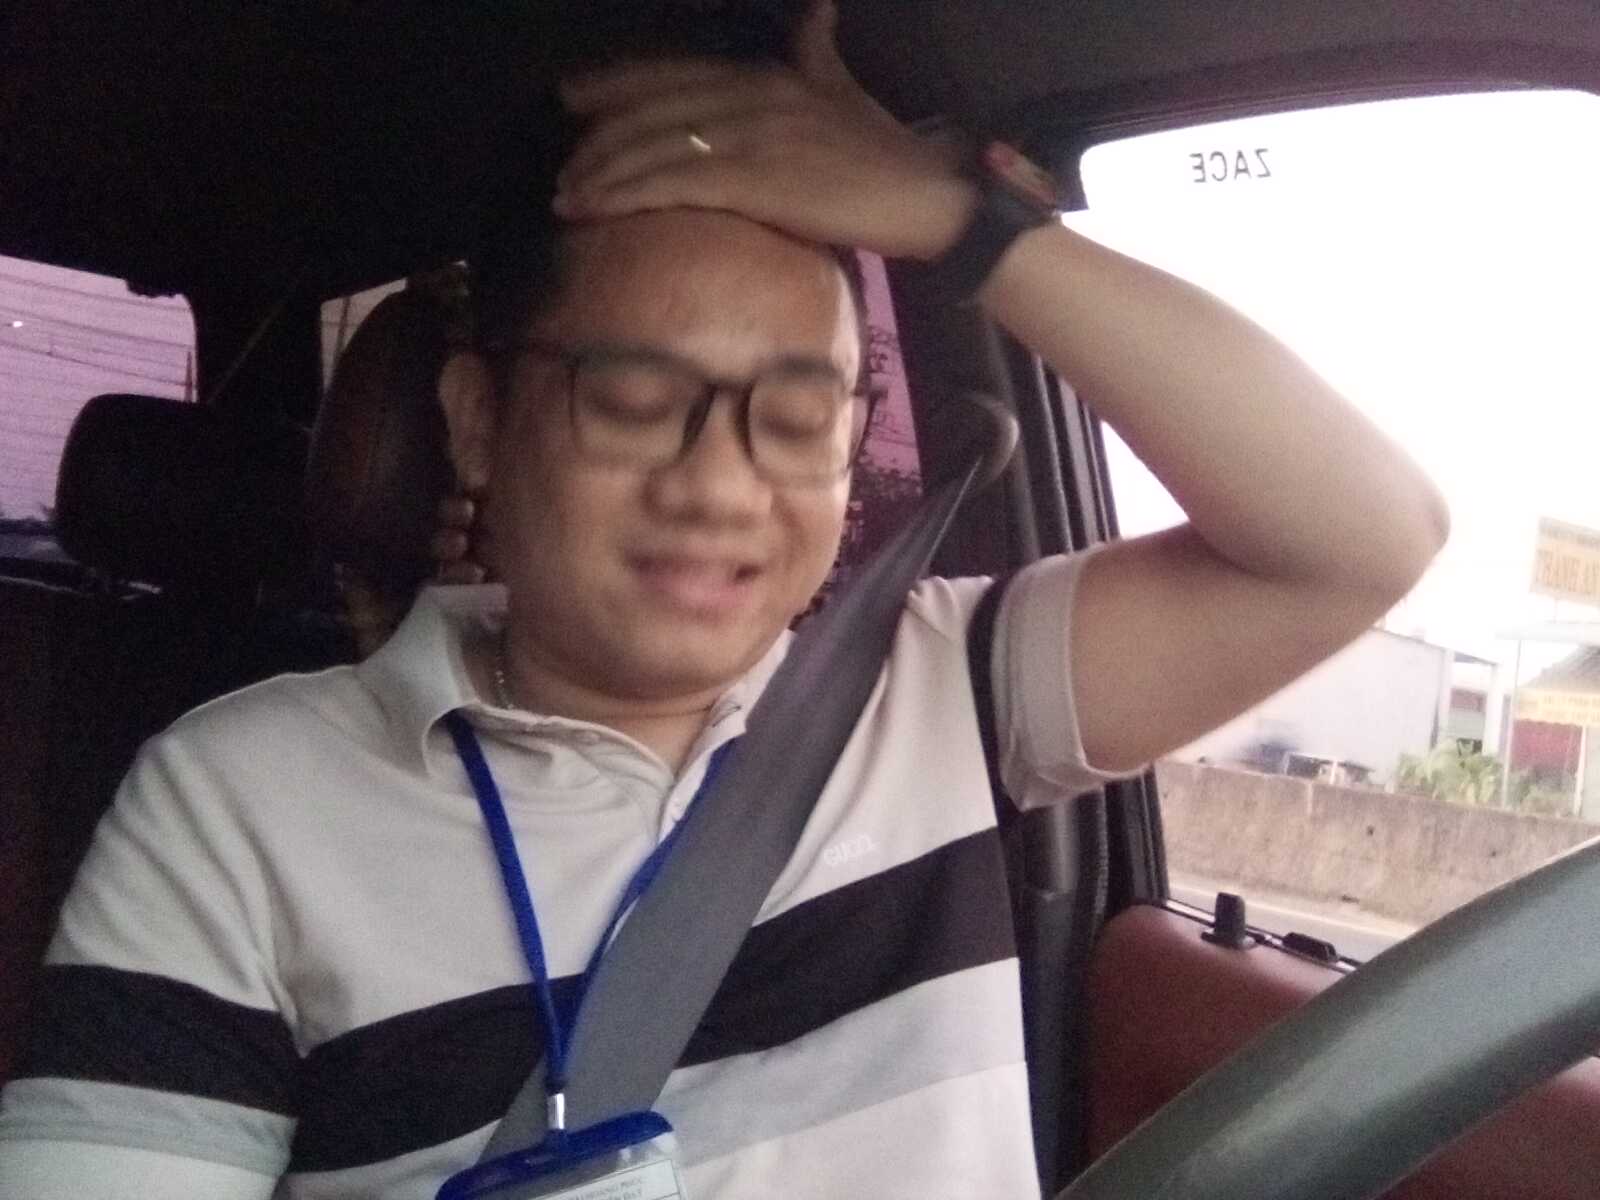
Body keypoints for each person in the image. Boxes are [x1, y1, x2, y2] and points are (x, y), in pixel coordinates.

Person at [0, 4, 1448, 1198]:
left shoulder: (936, 682)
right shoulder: (236, 805)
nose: (718, 485)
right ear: (481, 420)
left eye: (797, 416)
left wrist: (964, 224)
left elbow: (1361, 537)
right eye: (636, 397)